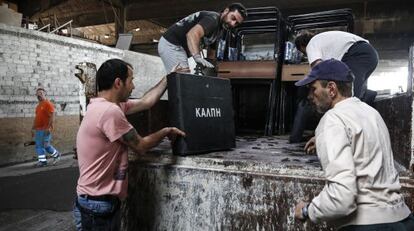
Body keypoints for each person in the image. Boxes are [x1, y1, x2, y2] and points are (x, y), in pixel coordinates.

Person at [293, 59, 413, 230]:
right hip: (403, 220)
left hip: (367, 225)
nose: (310, 96)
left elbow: (342, 198)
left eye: (313, 89)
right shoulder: (372, 113)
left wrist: (306, 211)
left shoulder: (333, 120)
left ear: (332, 89)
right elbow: (363, 148)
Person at [73, 59, 186, 231]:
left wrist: (168, 78)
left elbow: (146, 101)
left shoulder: (102, 105)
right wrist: (166, 131)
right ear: (118, 83)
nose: (133, 86)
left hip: (91, 201)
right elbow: (141, 146)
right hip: (98, 205)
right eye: (131, 80)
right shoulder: (109, 112)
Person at [290, 30, 379, 143]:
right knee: (355, 96)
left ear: (302, 46)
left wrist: (311, 91)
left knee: (347, 100)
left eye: (304, 53)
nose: (306, 56)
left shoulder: (312, 45)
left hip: (357, 55)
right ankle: (349, 135)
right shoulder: (323, 41)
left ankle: (338, 137)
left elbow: (319, 72)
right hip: (369, 55)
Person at [157, 2, 247, 73]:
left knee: (178, 77)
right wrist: (197, 57)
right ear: (226, 11)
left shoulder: (220, 29)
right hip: (172, 44)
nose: (233, 23)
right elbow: (192, 34)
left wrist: (212, 66)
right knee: (182, 77)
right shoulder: (213, 19)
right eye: (233, 18)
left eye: (236, 23)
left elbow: (212, 50)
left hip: (179, 48)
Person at [32, 87, 60, 167]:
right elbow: (37, 117)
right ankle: (44, 161)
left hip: (45, 129)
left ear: (45, 94)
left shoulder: (47, 103)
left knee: (44, 145)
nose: (39, 95)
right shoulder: (38, 106)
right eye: (37, 93)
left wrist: (49, 127)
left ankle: (55, 156)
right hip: (38, 129)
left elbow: (53, 115)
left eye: (41, 93)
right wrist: (33, 128)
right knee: (41, 146)